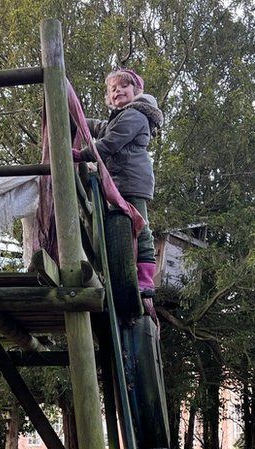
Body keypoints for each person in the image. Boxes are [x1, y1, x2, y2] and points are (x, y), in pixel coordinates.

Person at [73, 68, 163, 297]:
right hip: (119, 181)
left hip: (132, 181)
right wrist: (77, 118)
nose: (117, 91)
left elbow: (111, 142)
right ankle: (120, 271)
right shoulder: (121, 117)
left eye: (124, 86)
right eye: (113, 89)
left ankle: (145, 280)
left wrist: (83, 155)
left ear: (136, 91)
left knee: (139, 226)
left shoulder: (135, 115)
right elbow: (101, 128)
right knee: (119, 226)